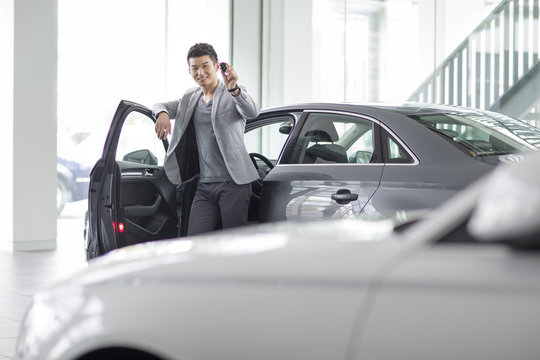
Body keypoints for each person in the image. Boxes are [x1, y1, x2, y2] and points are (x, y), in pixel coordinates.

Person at [153, 43, 260, 236]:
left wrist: (234, 88)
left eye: (205, 66)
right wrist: (162, 113)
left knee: (234, 241)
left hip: (234, 183)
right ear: (189, 71)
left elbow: (252, 112)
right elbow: (159, 105)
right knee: (195, 240)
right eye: (195, 68)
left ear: (217, 66)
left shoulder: (233, 92)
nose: (200, 72)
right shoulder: (189, 97)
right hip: (204, 185)